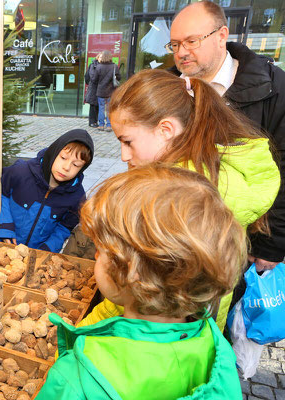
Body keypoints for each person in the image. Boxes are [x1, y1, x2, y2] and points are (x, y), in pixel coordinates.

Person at [78, 69, 280, 332]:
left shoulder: (176, 195)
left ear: (165, 129)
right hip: (197, 330)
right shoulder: (211, 171)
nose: (123, 155)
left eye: (128, 141)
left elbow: (144, 284)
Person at [36, 165, 245, 400]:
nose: (95, 255)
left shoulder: (76, 378)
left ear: (131, 273)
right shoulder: (219, 351)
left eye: (101, 250)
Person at [168, 1, 285, 274]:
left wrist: (270, 244)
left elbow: (283, 168)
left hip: (242, 246)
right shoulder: (167, 89)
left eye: (191, 41)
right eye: (174, 45)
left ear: (221, 36)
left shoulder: (272, 87)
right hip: (178, 240)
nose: (181, 52)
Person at [0, 129, 94, 253]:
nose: (66, 167)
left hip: (38, 256)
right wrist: (5, 226)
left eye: (76, 165)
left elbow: (65, 227)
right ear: (54, 152)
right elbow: (2, 194)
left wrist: (48, 248)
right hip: (4, 248)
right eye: (63, 158)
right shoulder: (20, 172)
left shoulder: (77, 197)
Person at [90, 50, 120, 131]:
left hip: (101, 91)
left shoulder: (99, 67)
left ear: (102, 57)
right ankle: (109, 125)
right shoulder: (114, 66)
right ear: (110, 57)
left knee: (101, 108)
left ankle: (101, 125)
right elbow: (119, 78)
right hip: (111, 91)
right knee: (109, 109)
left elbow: (94, 79)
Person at [84, 53, 101, 127]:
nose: (101, 58)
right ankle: (92, 122)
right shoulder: (93, 65)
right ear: (97, 58)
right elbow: (90, 76)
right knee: (93, 105)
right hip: (94, 88)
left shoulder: (100, 66)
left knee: (97, 105)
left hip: (98, 88)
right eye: (100, 57)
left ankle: (95, 121)